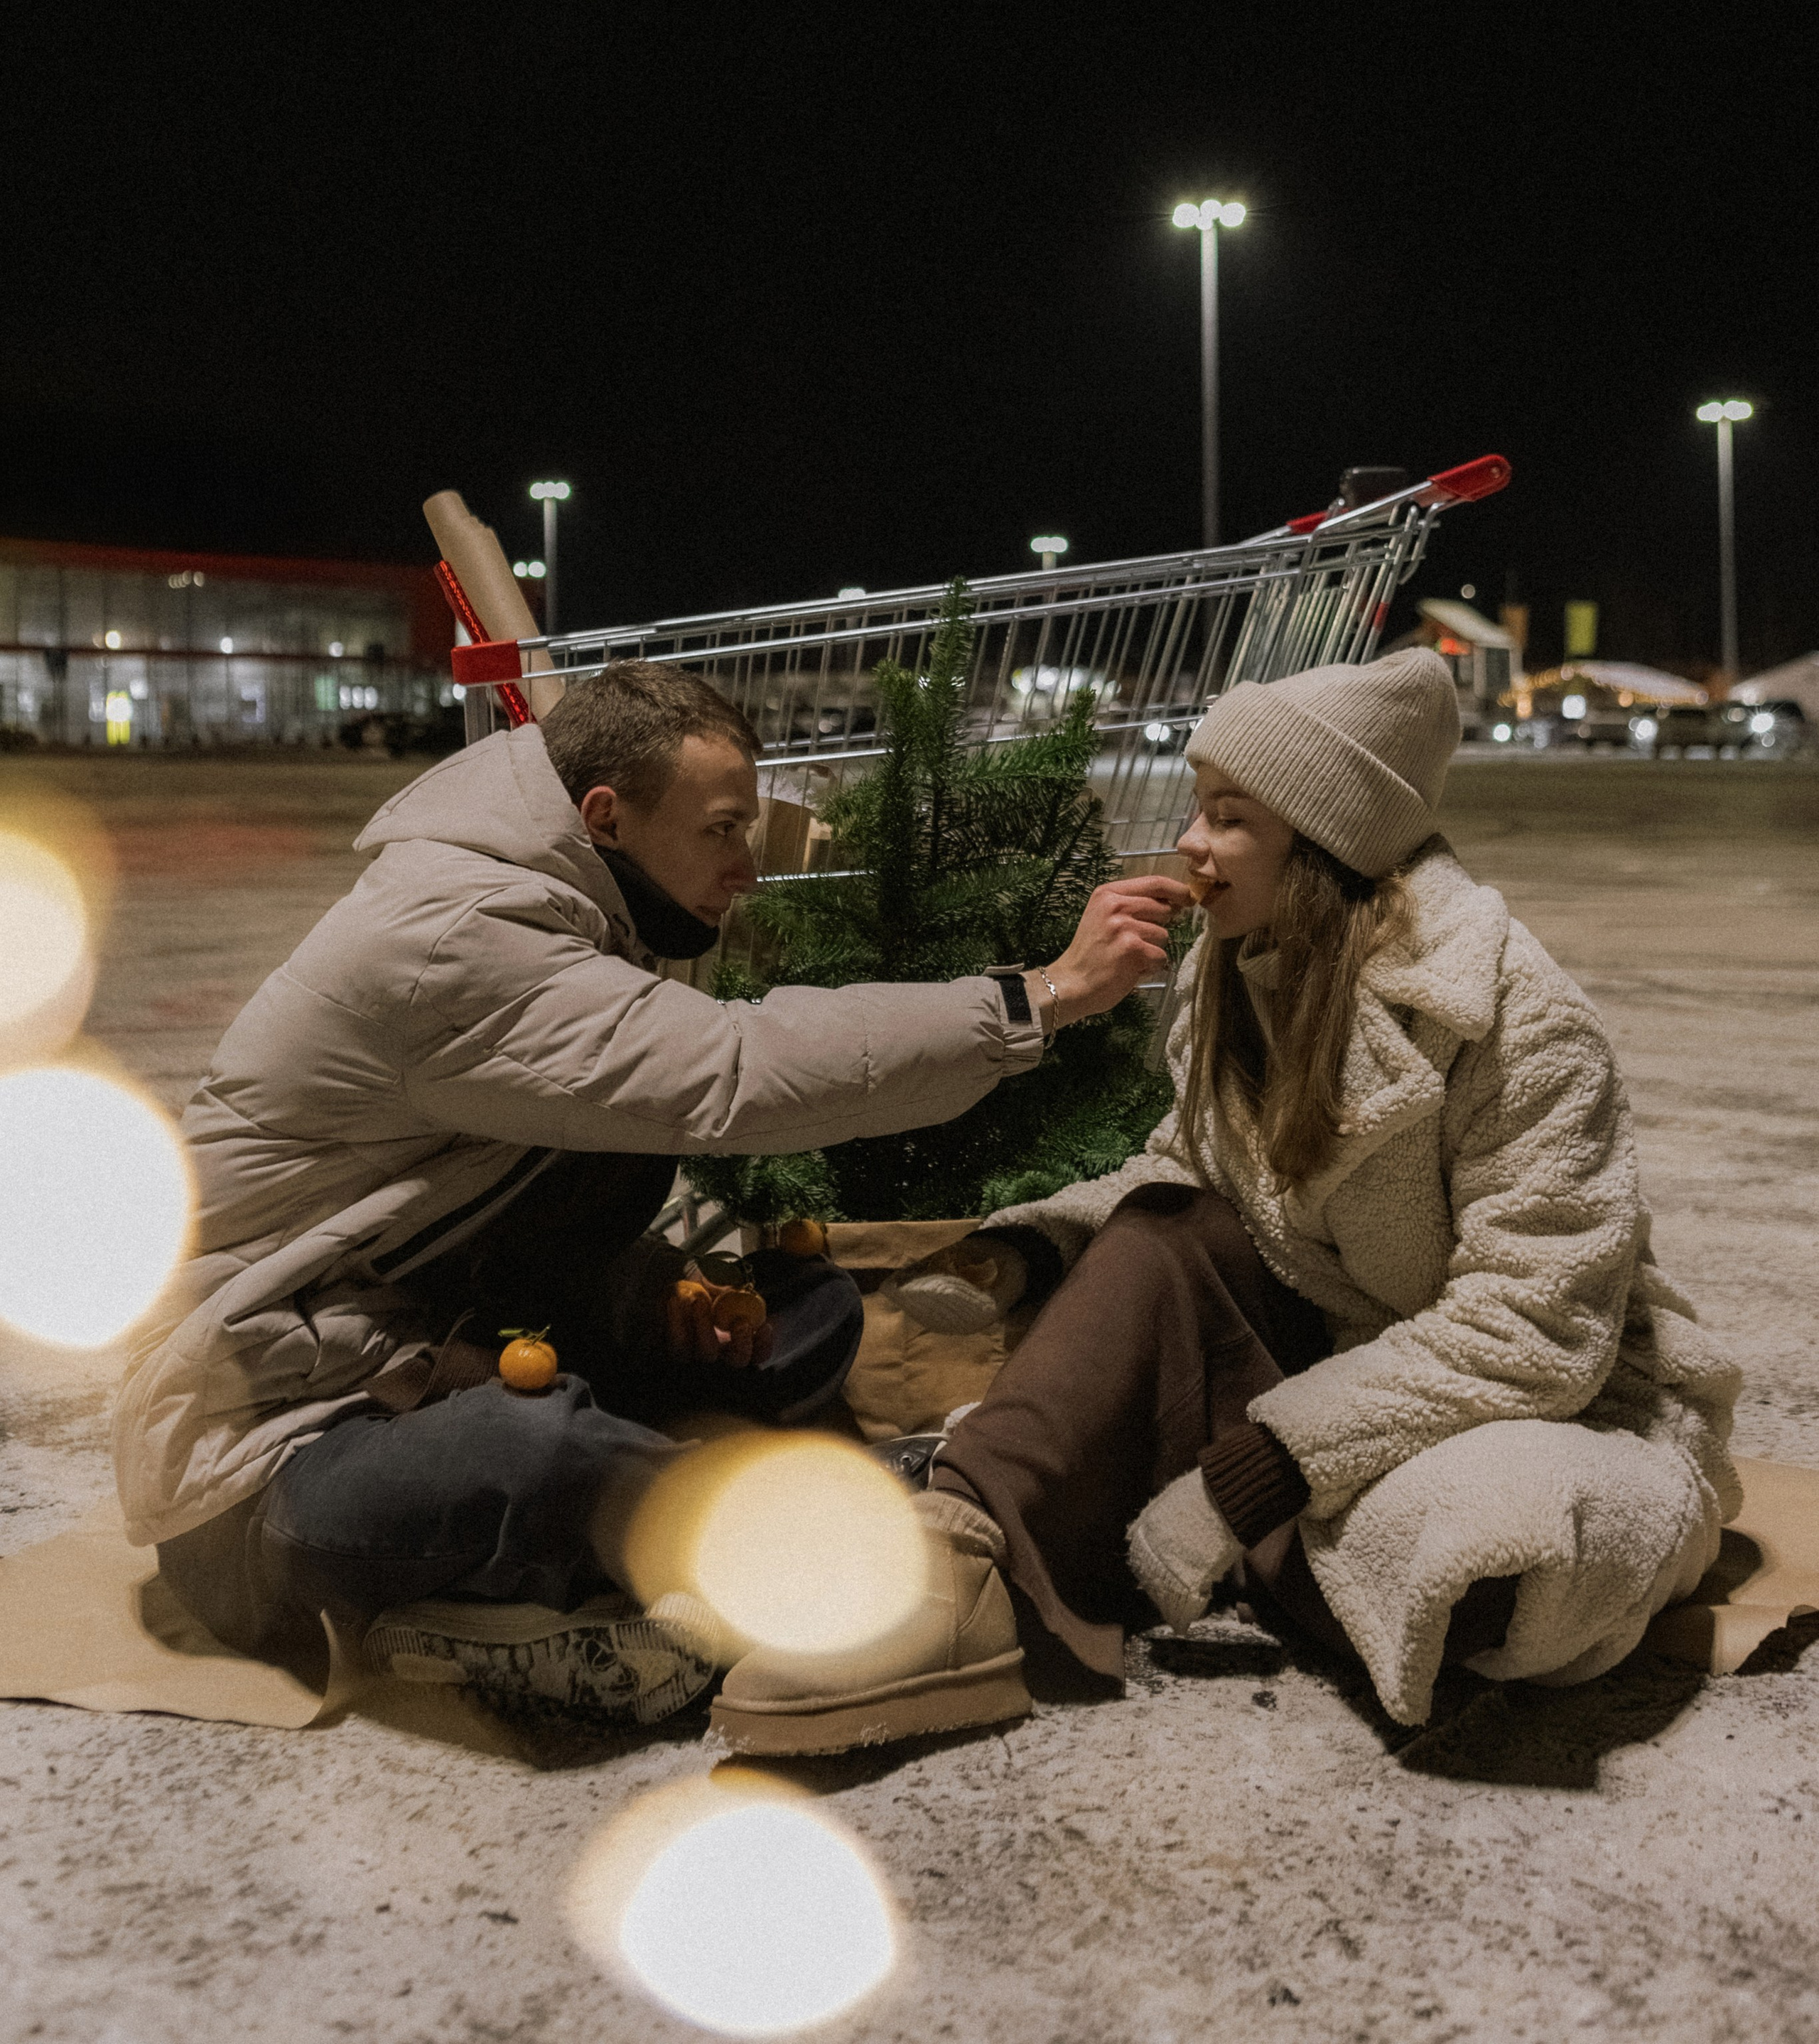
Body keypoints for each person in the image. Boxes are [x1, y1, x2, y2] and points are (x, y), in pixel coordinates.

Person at [116, 662, 1182, 1728]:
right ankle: (768, 1535)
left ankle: (609, 1546)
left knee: (803, 1313)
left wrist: (652, 1296)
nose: (747, 869)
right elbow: (733, 1072)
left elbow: (496, 1221)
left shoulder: (564, 910)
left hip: (430, 1351)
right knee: (537, 1451)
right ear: (605, 816)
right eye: (722, 829)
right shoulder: (454, 939)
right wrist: (1042, 996)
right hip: (269, 1461)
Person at [712, 651, 1742, 1752]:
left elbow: (1536, 1330)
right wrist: (1027, 1251)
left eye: (1228, 816)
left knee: (1477, 1571)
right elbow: (1194, 1172)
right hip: (1335, 1342)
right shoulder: (1241, 966)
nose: (1191, 844)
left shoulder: (1515, 1021)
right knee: (1164, 1230)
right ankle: (954, 1554)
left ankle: (1125, 1509)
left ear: (1324, 839)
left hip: (1520, 1390)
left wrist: (1260, 1469)